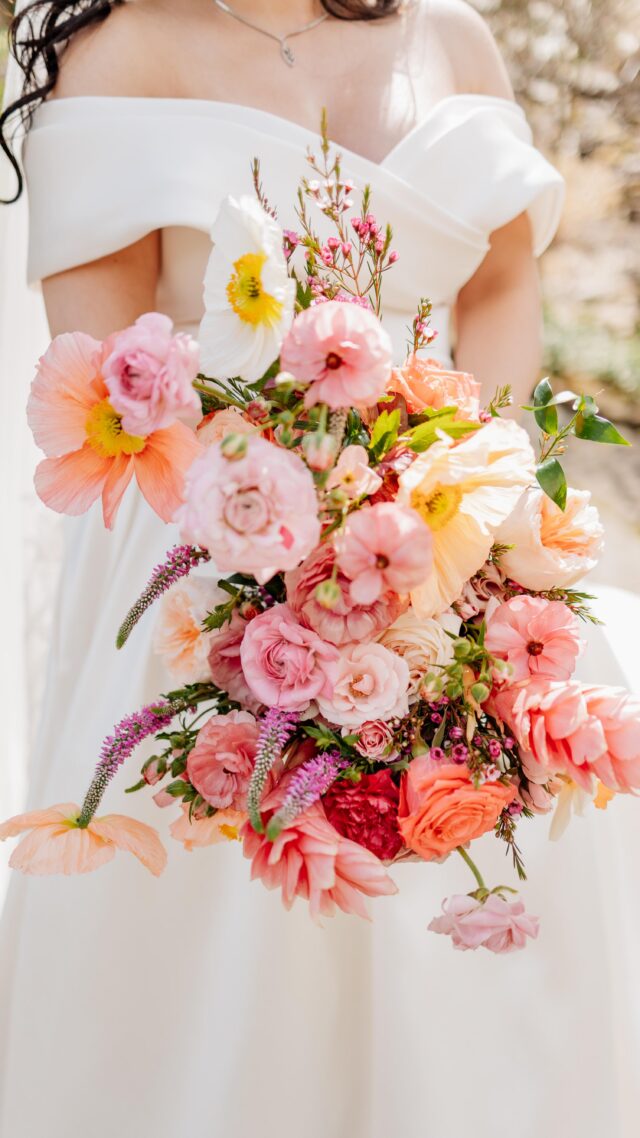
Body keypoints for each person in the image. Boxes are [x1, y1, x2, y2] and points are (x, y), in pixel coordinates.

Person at [1, 3, 638, 1137]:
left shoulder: (452, 41)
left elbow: (494, 290)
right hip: (220, 569)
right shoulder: (124, 52)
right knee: (248, 977)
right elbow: (106, 387)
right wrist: (301, 542)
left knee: (477, 951)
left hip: (462, 556)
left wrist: (468, 512)